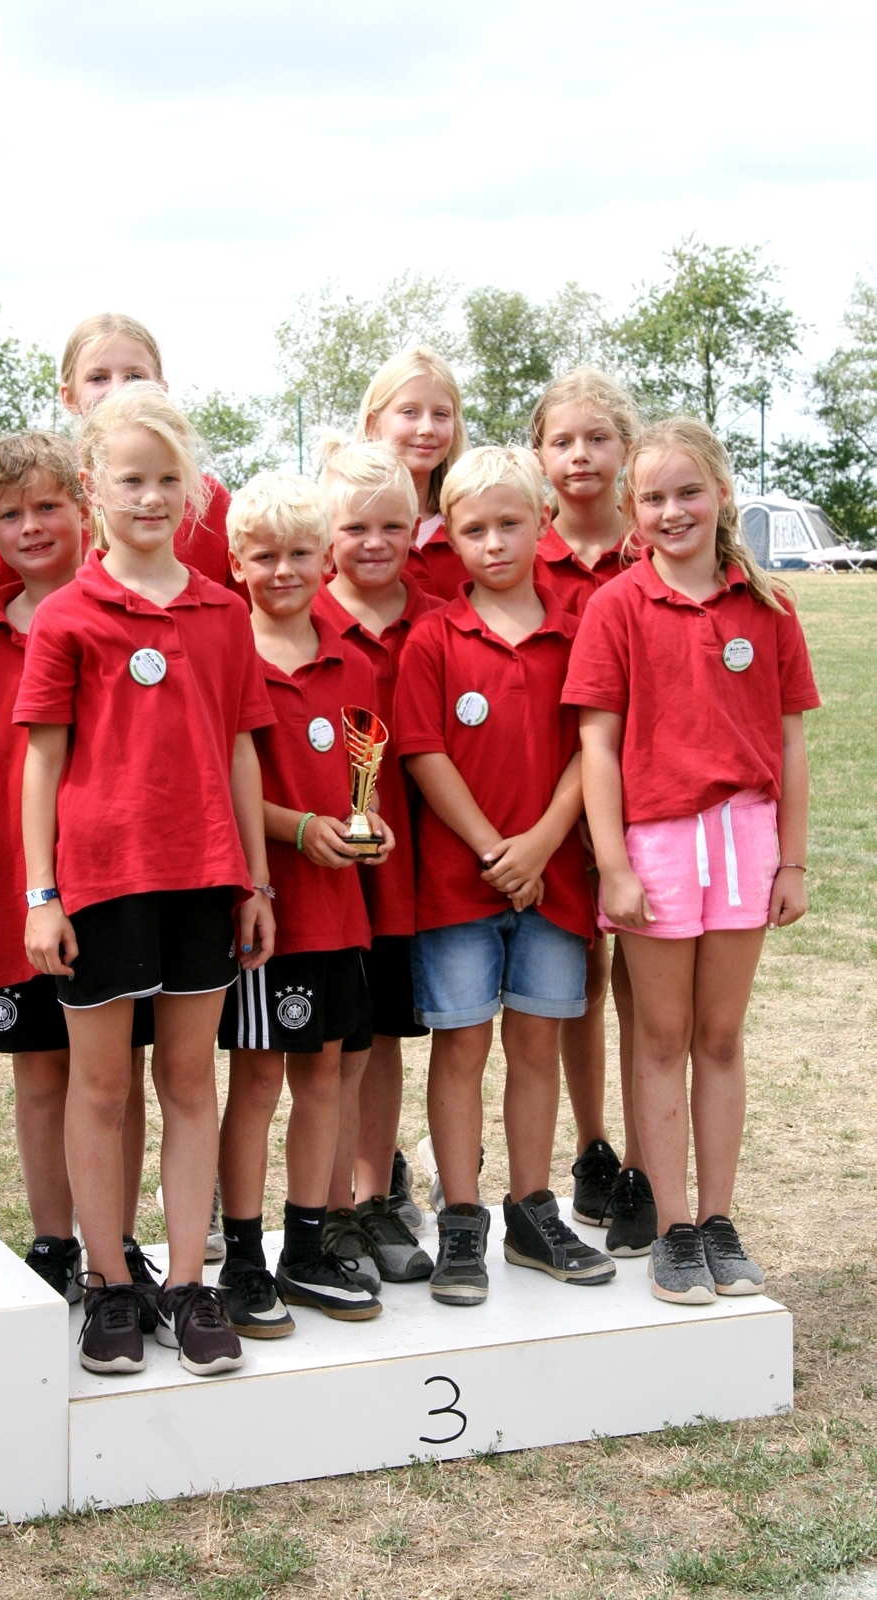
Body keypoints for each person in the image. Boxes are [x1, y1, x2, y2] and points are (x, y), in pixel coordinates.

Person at [15, 383, 275, 1375]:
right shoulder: (67, 616)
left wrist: (254, 882)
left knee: (189, 1082)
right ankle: (110, 1284)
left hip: (205, 879)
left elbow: (242, 751)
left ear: (192, 490)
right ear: (93, 488)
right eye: (131, 479)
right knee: (101, 1088)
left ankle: (188, 1284)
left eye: (169, 479)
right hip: (100, 885)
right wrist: (41, 895)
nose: (152, 497)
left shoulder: (223, 612)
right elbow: (42, 761)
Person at [563, 417, 819, 1304]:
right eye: (652, 498)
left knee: (718, 1037)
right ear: (631, 510)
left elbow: (789, 744)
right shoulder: (616, 606)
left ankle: (716, 1221)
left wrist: (790, 861)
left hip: (746, 840)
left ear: (720, 495)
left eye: (688, 492)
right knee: (661, 1036)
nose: (671, 511)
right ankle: (671, 1227)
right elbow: (597, 746)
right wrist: (614, 864)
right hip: (656, 845)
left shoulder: (768, 606)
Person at [395, 445, 615, 1306]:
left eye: (510, 524)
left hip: (554, 885)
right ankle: (460, 1219)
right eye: (473, 529)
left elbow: (591, 747)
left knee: (535, 1046)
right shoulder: (432, 637)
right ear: (447, 537)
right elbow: (423, 753)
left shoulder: (579, 628)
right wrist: (495, 850)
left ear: (542, 523)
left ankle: (530, 1211)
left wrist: (541, 843)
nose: (493, 543)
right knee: (461, 1047)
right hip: (458, 886)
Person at [0, 432, 157, 1311]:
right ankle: (51, 1242)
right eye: (11, 514)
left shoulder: (123, 616)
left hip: (115, 886)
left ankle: (118, 1241)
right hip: (18, 888)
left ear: (85, 510)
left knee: (117, 1079)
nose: (33, 525)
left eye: (49, 506)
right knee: (40, 1073)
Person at [216, 470, 409, 1333]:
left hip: (340, 912)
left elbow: (363, 779)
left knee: (326, 1072)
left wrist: (371, 827)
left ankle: (305, 1246)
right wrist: (297, 829)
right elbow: (218, 784)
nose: (284, 570)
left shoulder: (351, 661)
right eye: (264, 556)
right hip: (268, 913)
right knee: (260, 1079)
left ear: (323, 557)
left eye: (300, 553)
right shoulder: (227, 655)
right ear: (236, 561)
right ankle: (242, 1257)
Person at [311, 435, 441, 1268]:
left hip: (407, 872)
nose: (373, 542)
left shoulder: (439, 618)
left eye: (392, 525)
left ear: (418, 524)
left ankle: (371, 1195)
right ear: (326, 532)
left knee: (382, 1037)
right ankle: (323, 1206)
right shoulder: (297, 617)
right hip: (320, 874)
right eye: (354, 527)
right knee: (325, 1046)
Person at [530, 369, 652, 1255]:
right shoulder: (516, 548)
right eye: (561, 440)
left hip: (639, 797)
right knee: (574, 977)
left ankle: (645, 1161)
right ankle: (591, 1147)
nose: (579, 455)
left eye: (597, 438)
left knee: (640, 982)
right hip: (545, 793)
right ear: (538, 453)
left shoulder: (655, 547)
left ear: (625, 448)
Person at [0, 312, 234, 611]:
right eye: (98, 378)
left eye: (135, 377)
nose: (118, 389)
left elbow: (248, 617)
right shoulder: (38, 494)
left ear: (162, 390)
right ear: (69, 396)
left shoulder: (207, 498)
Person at [357, 345, 469, 603]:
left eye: (441, 414)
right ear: (373, 424)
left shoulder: (475, 527)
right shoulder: (339, 528)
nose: (427, 428)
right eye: (410, 412)